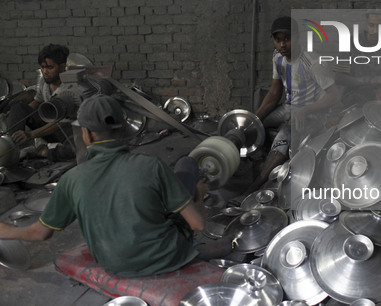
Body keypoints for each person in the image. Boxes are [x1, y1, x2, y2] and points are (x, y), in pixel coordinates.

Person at [0, 94, 231, 277]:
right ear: (123, 129)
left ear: (87, 135)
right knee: (187, 164)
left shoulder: (71, 179)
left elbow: (39, 234)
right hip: (167, 257)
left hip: (114, 265)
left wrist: (5, 231)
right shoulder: (150, 165)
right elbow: (198, 224)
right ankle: (194, 253)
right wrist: (198, 195)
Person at [246, 16, 341, 195]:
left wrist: (306, 110)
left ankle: (256, 184)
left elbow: (334, 95)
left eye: (287, 39)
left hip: (314, 112)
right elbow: (274, 93)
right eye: (278, 40)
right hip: (289, 107)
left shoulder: (312, 62)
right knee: (253, 128)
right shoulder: (278, 58)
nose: (282, 44)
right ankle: (252, 166)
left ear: (297, 37)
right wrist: (254, 119)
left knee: (285, 133)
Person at [7, 43, 75, 161]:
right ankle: (12, 148)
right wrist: (16, 116)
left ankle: (45, 153)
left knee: (74, 148)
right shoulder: (45, 81)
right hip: (48, 124)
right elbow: (37, 101)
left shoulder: (70, 88)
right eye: (42, 67)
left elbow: (60, 122)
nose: (45, 71)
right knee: (18, 107)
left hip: (65, 131)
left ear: (63, 67)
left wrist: (30, 135)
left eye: (50, 67)